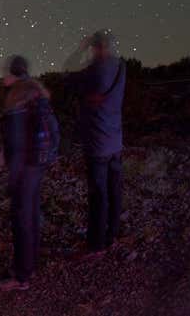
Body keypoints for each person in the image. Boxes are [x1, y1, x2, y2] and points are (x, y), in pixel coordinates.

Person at [64, 30, 126, 255]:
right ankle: (112, 234)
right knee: (114, 191)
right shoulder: (121, 67)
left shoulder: (93, 71)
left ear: (95, 47)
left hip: (97, 144)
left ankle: (96, 243)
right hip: (115, 141)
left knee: (98, 194)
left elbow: (68, 72)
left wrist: (80, 50)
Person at [0, 55, 51, 291]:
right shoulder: (37, 91)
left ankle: (21, 276)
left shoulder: (17, 97)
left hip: (24, 168)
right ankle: (30, 264)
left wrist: (13, 178)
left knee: (21, 220)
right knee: (31, 214)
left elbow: (17, 143)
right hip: (38, 164)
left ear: (13, 73)